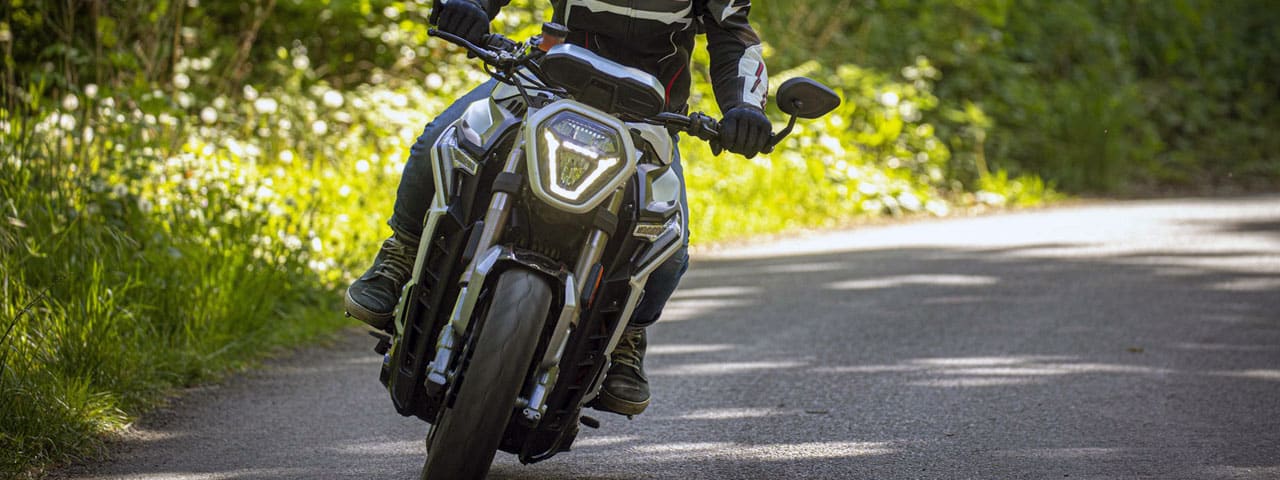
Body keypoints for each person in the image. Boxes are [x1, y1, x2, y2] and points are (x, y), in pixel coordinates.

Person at [345, 0, 773, 416]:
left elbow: (732, 32)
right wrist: (469, 4)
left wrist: (745, 109)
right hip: (545, 78)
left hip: (650, 114)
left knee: (667, 247)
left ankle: (624, 335)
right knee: (441, 140)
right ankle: (399, 256)